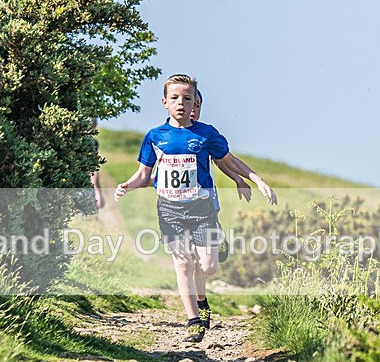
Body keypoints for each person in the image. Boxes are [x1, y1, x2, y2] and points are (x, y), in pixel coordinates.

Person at [114, 74, 276, 342]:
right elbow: (144, 174)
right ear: (164, 102)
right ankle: (194, 320)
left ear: (195, 105)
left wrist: (256, 180)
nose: (181, 103)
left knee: (209, 267)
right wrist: (126, 186)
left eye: (187, 99)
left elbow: (229, 161)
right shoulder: (155, 136)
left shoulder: (206, 134)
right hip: (169, 209)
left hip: (202, 209)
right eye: (175, 98)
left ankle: (204, 292)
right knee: (183, 263)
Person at [190, 88, 277, 331]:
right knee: (189, 261)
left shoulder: (205, 134)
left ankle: (216, 235)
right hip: (176, 209)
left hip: (206, 206)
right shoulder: (167, 136)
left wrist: (245, 179)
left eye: (197, 104)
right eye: (189, 103)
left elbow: (223, 160)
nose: (193, 109)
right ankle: (200, 307)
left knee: (204, 264)